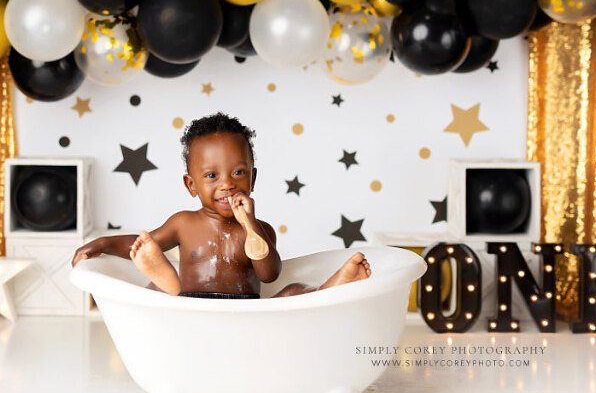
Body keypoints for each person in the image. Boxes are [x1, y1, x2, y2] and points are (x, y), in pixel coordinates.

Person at [71, 112, 371, 299]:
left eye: (238, 172)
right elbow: (142, 243)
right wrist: (103, 242)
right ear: (191, 185)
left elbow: (269, 275)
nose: (227, 184)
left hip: (244, 314)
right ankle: (166, 280)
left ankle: (331, 288)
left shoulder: (259, 231)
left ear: (253, 179)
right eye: (212, 176)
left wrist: (250, 225)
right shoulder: (184, 223)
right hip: (191, 309)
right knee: (154, 289)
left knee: (295, 291)